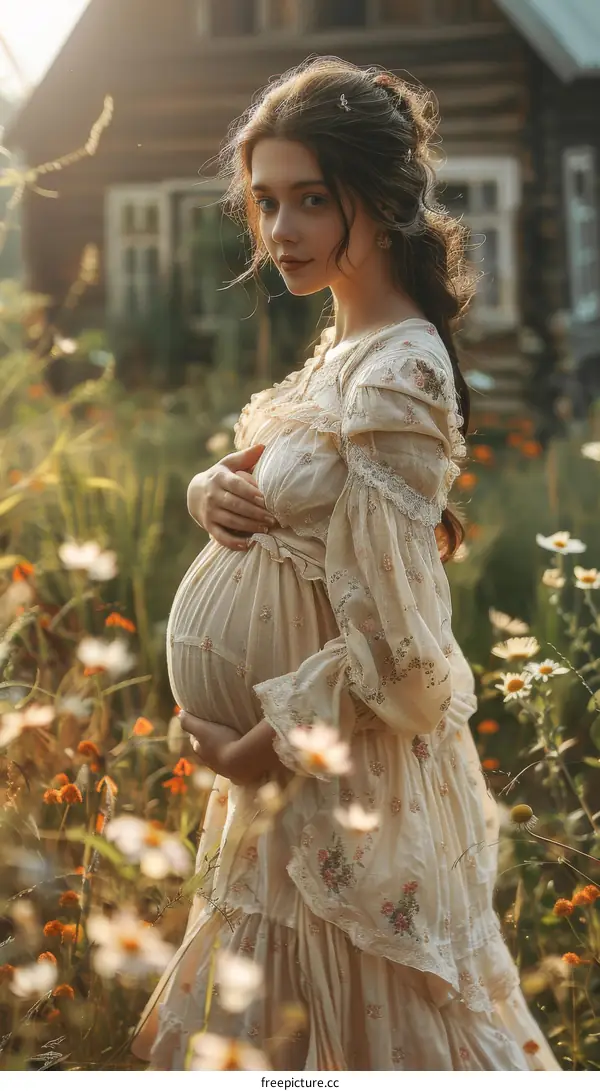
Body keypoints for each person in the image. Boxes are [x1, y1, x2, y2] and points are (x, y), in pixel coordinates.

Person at [131, 57, 560, 1071]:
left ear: (379, 197)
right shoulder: (340, 350)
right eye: (267, 200)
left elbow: (401, 653)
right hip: (292, 780)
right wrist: (207, 490)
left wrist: (262, 745)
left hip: (334, 778)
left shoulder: (402, 369)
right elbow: (284, 496)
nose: (279, 230)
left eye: (310, 200)